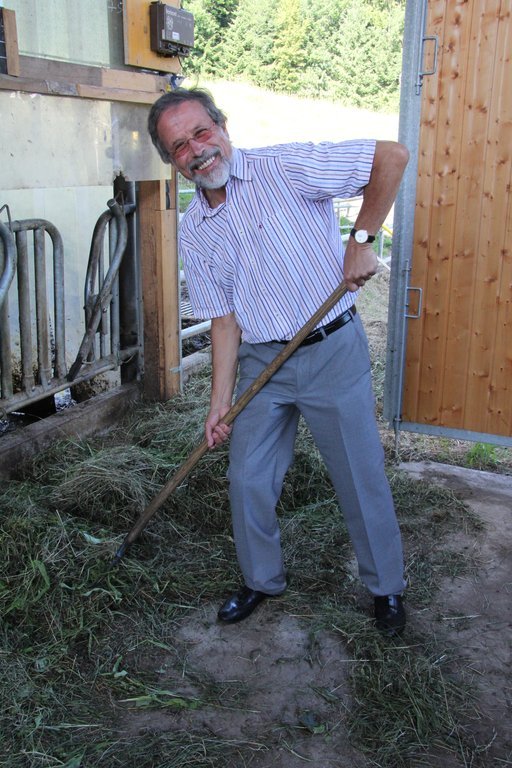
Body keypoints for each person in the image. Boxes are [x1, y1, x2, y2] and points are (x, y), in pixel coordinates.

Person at [148, 87, 409, 635]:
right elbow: (223, 321)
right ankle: (261, 579)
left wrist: (362, 239)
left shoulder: (285, 167)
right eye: (179, 147)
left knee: (358, 476)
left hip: (331, 350)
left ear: (222, 126)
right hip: (261, 364)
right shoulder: (195, 230)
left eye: (200, 132)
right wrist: (218, 405)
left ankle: (385, 587)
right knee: (247, 477)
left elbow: (391, 156)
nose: (196, 151)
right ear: (171, 161)